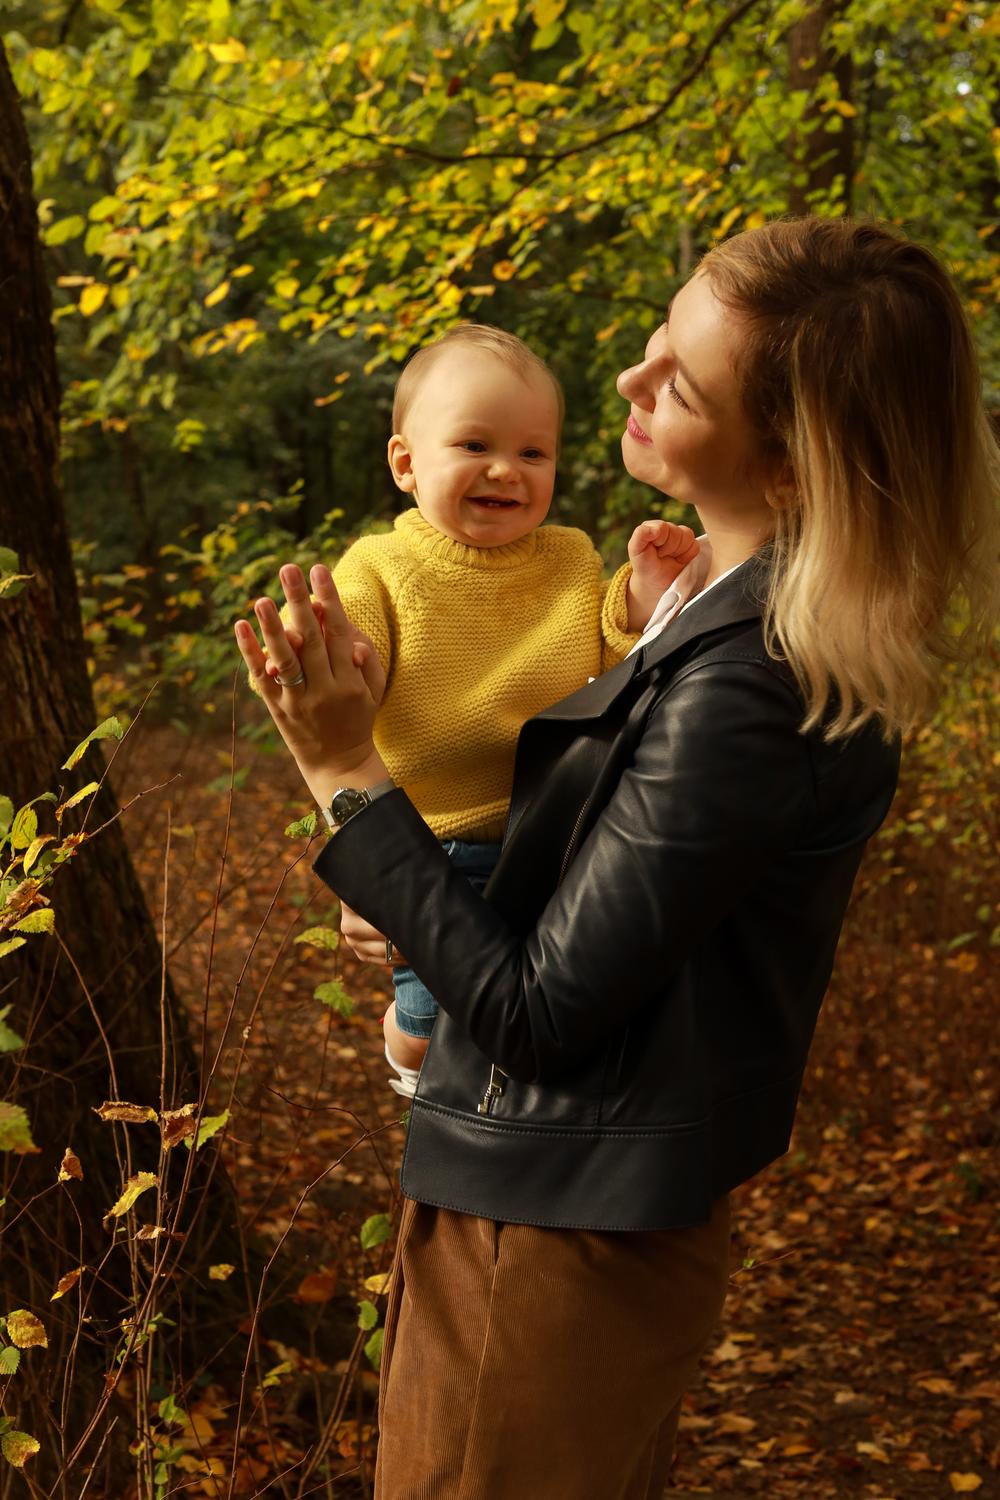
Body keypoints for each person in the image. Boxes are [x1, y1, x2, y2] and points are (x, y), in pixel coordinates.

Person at [235, 218, 998, 1500]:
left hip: (549, 1236)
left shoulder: (750, 683)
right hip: (551, 1205)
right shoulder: (707, 608)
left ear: (794, 460)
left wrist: (343, 776)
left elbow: (539, 1014)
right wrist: (425, 908)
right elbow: (575, 920)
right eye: (657, 346)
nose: (633, 386)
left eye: (680, 385)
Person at [256, 323, 697, 1095]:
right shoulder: (382, 566)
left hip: (560, 840)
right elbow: (356, 651)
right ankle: (405, 1045)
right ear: (405, 462)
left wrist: (636, 598)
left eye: (534, 453)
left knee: (539, 1021)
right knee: (438, 1045)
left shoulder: (568, 557)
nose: (506, 470)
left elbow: (606, 663)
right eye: (473, 446)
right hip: (438, 854)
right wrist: (323, 646)